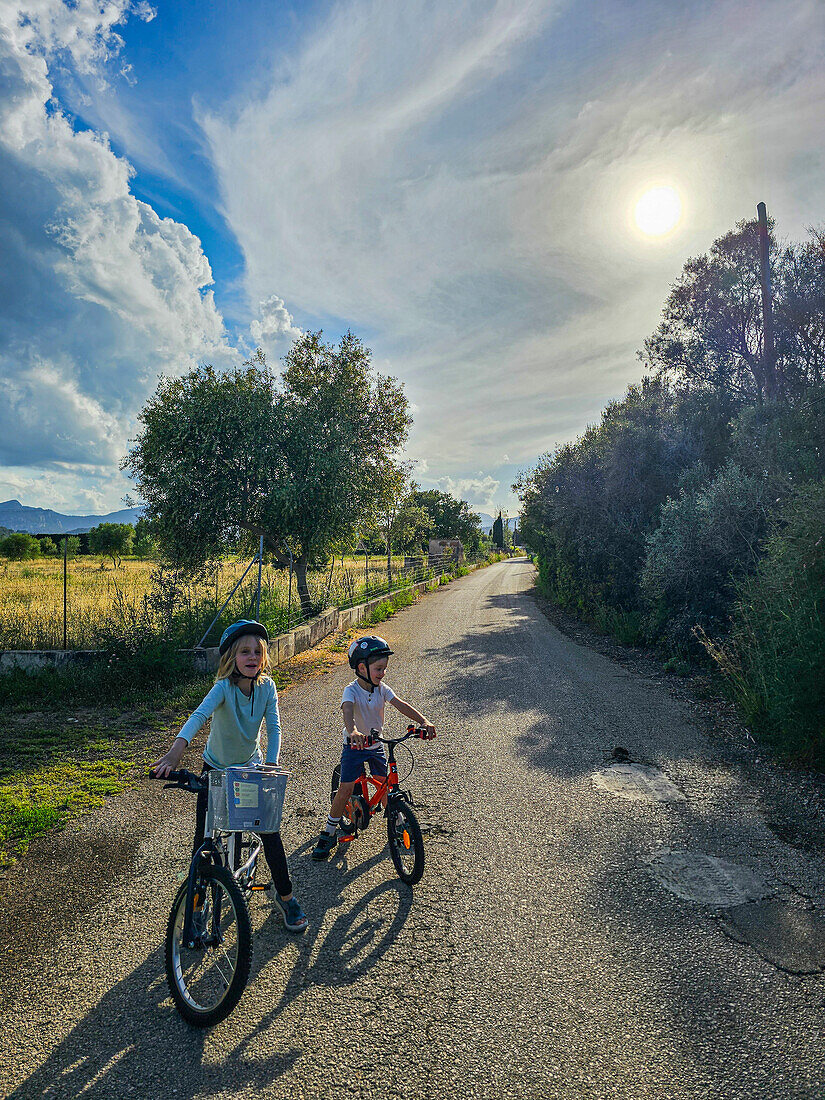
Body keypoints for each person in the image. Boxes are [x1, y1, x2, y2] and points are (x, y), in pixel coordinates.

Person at [152, 619, 307, 932]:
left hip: (251, 767)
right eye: (244, 652)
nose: (252, 657)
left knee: (269, 832)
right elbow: (198, 717)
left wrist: (272, 763)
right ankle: (196, 905)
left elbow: (274, 727)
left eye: (257, 652)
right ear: (231, 659)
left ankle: (286, 897)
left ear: (263, 658)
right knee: (203, 840)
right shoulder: (222, 687)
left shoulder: (267, 687)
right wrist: (174, 754)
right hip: (216, 768)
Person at [311, 634, 435, 860]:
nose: (382, 673)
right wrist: (353, 731)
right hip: (354, 746)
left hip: (376, 745)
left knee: (385, 784)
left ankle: (397, 822)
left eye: (384, 669)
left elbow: (401, 705)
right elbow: (347, 711)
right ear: (361, 667)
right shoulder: (351, 690)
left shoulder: (382, 689)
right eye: (379, 668)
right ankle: (328, 832)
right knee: (346, 788)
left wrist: (423, 721)